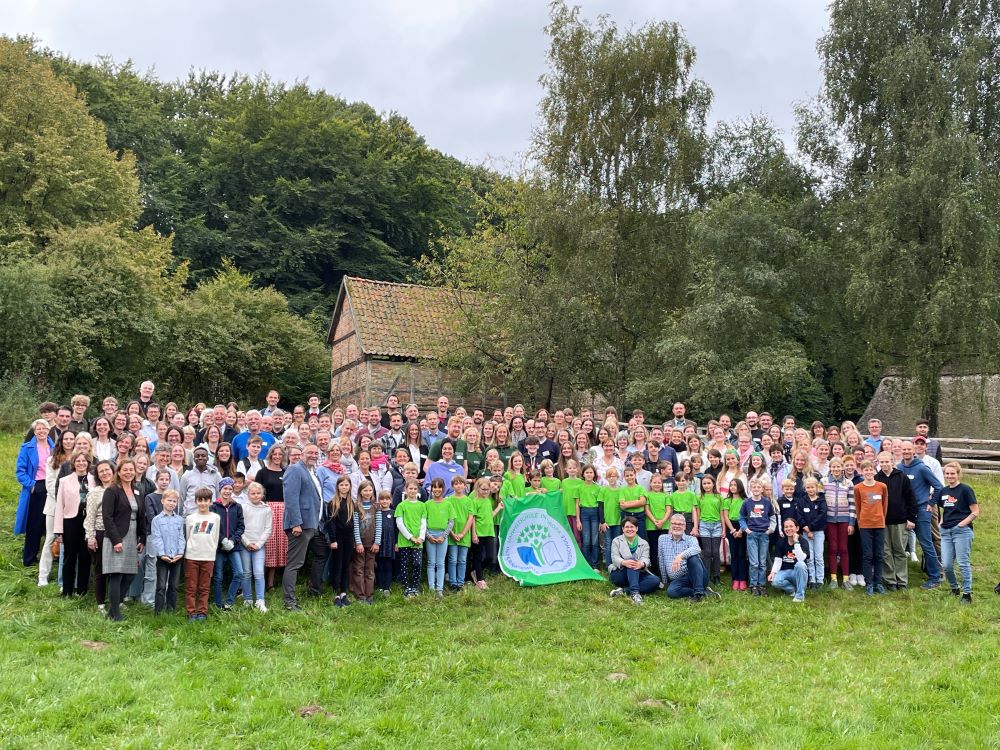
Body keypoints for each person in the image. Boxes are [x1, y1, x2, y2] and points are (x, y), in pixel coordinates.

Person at [101, 459, 147, 622]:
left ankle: (111, 611)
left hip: (133, 535)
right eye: (125, 470)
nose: (128, 472)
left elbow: (142, 516)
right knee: (116, 575)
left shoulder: (138, 491)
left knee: (129, 574)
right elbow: (107, 517)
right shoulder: (112, 491)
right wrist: (116, 540)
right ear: (118, 473)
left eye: (131, 470)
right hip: (117, 536)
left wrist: (142, 538)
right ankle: (116, 613)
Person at [280, 443, 323, 611]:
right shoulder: (295, 470)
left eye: (316, 453)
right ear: (302, 454)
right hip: (301, 526)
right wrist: (296, 523)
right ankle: (289, 602)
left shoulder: (312, 472)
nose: (313, 455)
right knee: (295, 563)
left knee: (322, 553)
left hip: (313, 524)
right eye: (310, 452)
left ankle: (314, 589)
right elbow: (290, 499)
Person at [897, 441, 944, 589]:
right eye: (903, 449)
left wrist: (931, 503)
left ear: (913, 451)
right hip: (904, 512)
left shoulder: (922, 468)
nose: (906, 452)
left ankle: (935, 577)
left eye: (908, 449)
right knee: (898, 545)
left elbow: (938, 487)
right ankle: (898, 577)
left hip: (922, 511)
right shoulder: (899, 467)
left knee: (926, 544)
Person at [53, 451, 94, 597]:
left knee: (85, 557)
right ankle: (67, 590)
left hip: (88, 523)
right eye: (78, 461)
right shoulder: (65, 481)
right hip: (70, 521)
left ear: (88, 463)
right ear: (74, 463)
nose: (81, 463)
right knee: (69, 557)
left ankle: (82, 590)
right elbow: (59, 506)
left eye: (84, 461)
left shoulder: (94, 480)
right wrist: (58, 531)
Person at [15, 419, 55, 568]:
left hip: (51, 486)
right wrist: (31, 486)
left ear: (48, 430)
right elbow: (20, 471)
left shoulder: (54, 446)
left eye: (44, 428)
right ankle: (30, 558)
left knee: (49, 523)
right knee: (35, 524)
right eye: (38, 429)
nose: (41, 431)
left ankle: (51, 555)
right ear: (34, 431)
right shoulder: (27, 448)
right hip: (36, 487)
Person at [937, 462, 978, 604]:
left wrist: (962, 524)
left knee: (962, 563)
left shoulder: (966, 490)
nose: (950, 476)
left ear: (958, 474)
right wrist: (941, 522)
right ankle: (954, 588)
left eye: (952, 473)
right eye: (947, 474)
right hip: (946, 532)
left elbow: (975, 512)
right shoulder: (943, 491)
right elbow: (945, 510)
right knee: (947, 564)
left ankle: (967, 593)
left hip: (961, 532)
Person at [875, 451, 917, 591]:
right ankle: (890, 579)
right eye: (882, 462)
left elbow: (910, 498)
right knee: (886, 551)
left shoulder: (902, 477)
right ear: (878, 463)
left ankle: (902, 580)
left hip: (900, 520)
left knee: (899, 550)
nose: (885, 464)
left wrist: (911, 518)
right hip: (883, 521)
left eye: (887, 462)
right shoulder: (876, 478)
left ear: (892, 462)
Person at [659, 514, 718, 601]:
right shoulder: (662, 539)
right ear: (670, 525)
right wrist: (665, 581)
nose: (677, 526)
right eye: (674, 523)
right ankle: (702, 591)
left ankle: (698, 594)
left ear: (685, 526)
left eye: (680, 524)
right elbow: (661, 560)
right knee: (671, 592)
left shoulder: (691, 539)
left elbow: (696, 549)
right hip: (678, 579)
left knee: (693, 558)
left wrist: (681, 556)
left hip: (695, 575)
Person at [184, 488, 220, 621]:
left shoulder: (215, 518)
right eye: (200, 500)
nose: (203, 503)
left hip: (208, 556)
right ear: (196, 502)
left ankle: (202, 612)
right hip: (192, 556)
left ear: (211, 502)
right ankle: (191, 612)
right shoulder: (190, 518)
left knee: (204, 586)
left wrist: (211, 551)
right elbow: (188, 536)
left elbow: (215, 537)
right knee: (191, 586)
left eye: (206, 500)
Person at [608, 516, 660, 605]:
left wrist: (642, 564)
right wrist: (624, 562)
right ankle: (635, 593)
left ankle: (624, 591)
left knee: (655, 581)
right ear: (622, 529)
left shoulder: (644, 543)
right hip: (620, 574)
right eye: (627, 527)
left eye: (632, 527)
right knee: (632, 560)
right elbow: (614, 557)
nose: (629, 529)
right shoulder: (616, 541)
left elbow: (646, 559)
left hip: (637, 572)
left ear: (637, 528)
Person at [855, 460, 889, 596]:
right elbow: (858, 506)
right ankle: (869, 582)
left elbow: (885, 505)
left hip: (879, 523)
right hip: (865, 525)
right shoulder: (858, 488)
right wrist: (860, 521)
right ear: (862, 472)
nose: (868, 472)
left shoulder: (882, 486)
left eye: (871, 469)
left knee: (879, 554)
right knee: (868, 554)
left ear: (874, 471)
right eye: (866, 470)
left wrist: (881, 518)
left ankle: (878, 582)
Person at [148, 489, 185, 614]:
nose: (171, 503)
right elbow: (156, 538)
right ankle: (158, 611)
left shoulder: (179, 520)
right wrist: (162, 554)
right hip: (162, 558)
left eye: (174, 501)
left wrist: (180, 553)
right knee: (161, 586)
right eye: (169, 500)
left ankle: (171, 610)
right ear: (162, 501)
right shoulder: (157, 520)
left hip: (177, 558)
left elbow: (181, 537)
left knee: (174, 586)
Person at [210, 479, 245, 610]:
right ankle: (218, 604)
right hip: (219, 547)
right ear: (220, 490)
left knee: (239, 573)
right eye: (225, 488)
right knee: (218, 576)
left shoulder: (237, 507)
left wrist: (233, 540)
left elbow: (241, 527)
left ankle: (229, 602)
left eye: (230, 489)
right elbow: (213, 527)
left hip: (234, 547)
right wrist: (223, 540)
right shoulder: (213, 507)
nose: (227, 491)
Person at [240, 481, 273, 612]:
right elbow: (240, 527)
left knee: (259, 572)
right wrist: (247, 543)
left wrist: (259, 544)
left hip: (259, 546)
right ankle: (247, 599)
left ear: (262, 494)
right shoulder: (243, 507)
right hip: (245, 545)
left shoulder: (266, 509)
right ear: (248, 494)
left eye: (258, 493)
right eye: (253, 493)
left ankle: (260, 600)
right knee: (246, 572)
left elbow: (268, 528)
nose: (256, 495)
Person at [739, 478, 775, 596]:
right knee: (754, 562)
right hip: (752, 535)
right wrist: (746, 529)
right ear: (750, 489)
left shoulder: (767, 502)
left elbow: (772, 517)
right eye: (754, 487)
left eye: (758, 487)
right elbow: (741, 517)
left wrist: (770, 530)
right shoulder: (747, 503)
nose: (756, 489)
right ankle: (753, 585)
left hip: (764, 534)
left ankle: (762, 585)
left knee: (762, 562)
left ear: (762, 489)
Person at [350, 480, 382, 605]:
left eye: (370, 490)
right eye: (365, 490)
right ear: (360, 492)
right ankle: (360, 595)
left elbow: (379, 526)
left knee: (370, 570)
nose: (368, 493)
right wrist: (358, 543)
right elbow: (355, 527)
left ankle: (369, 595)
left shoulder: (376, 506)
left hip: (372, 544)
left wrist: (377, 542)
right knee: (358, 569)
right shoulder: (357, 506)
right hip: (360, 544)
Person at [326, 476, 356, 607]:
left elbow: (353, 523)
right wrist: (333, 539)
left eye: (346, 485)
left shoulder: (351, 503)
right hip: (337, 538)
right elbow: (331, 522)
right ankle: (336, 593)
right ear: (338, 486)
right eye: (342, 485)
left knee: (346, 566)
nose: (344, 487)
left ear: (350, 487)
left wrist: (354, 539)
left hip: (349, 538)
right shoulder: (333, 503)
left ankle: (344, 592)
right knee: (337, 566)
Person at [424, 477, 455, 598]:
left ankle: (439, 589)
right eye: (434, 487)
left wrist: (444, 536)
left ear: (443, 489)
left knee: (440, 563)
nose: (437, 489)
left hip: (443, 536)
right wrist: (428, 535)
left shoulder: (448, 504)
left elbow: (451, 521)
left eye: (439, 487)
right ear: (431, 489)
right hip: (430, 535)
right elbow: (423, 522)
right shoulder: (427, 504)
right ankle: (431, 588)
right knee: (431, 562)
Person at [396, 480, 427, 597]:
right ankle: (406, 587)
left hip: (418, 541)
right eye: (410, 489)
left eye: (415, 489)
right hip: (405, 541)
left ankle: (415, 587)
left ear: (418, 491)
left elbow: (424, 523)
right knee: (404, 564)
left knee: (417, 563)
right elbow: (400, 524)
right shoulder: (401, 505)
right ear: (406, 490)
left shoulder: (422, 506)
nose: (412, 491)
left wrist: (420, 538)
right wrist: (410, 537)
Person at [796, 476, 828, 590]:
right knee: (809, 556)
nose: (811, 490)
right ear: (805, 488)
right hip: (805, 533)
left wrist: (810, 527)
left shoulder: (821, 500)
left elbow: (822, 515)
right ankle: (812, 579)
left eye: (812, 487)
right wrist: (805, 528)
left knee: (819, 557)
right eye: (808, 487)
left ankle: (820, 580)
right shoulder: (802, 501)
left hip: (818, 532)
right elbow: (799, 515)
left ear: (816, 487)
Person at [768, 517, 810, 602]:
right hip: (785, 572)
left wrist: (796, 542)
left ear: (797, 528)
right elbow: (778, 560)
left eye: (791, 526)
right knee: (775, 582)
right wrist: (773, 572)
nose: (788, 529)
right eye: (786, 527)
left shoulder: (803, 541)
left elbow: (801, 559)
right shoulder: (781, 542)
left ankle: (799, 596)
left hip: (798, 573)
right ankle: (792, 589)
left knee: (800, 564)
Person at [447, 476, 475, 592]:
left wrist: (463, 533)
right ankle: (453, 582)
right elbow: (447, 518)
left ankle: (460, 582)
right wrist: (452, 533)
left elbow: (470, 518)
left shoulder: (469, 501)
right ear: (453, 486)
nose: (459, 486)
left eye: (461, 483)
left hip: (465, 535)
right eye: (456, 484)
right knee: (453, 559)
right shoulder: (448, 500)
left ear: (465, 485)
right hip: (451, 534)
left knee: (462, 560)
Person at [375, 490, 396, 594]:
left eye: (387, 499)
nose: (384, 501)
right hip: (379, 543)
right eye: (382, 499)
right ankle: (380, 586)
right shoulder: (377, 513)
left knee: (388, 565)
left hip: (390, 543)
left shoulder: (393, 513)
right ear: (379, 501)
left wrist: (396, 543)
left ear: (390, 500)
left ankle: (387, 587)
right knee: (379, 565)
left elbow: (396, 529)